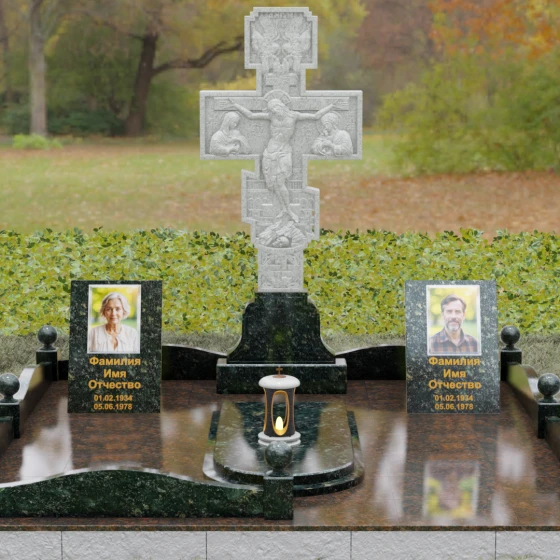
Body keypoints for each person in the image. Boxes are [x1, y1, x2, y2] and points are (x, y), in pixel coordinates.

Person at [228, 96, 343, 222]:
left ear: (281, 106)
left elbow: (315, 116)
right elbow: (251, 115)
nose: (274, 112)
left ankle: (287, 210)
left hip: (284, 151)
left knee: (280, 182)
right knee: (275, 184)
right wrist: (236, 105)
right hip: (270, 152)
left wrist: (331, 106)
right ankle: (284, 209)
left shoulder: (294, 116)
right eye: (272, 110)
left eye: (275, 109)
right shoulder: (271, 117)